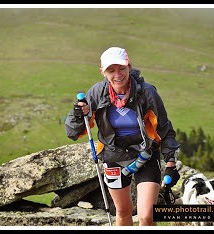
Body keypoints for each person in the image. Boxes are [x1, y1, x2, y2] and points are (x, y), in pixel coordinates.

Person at [65, 47, 180, 226]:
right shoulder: (96, 93)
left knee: (146, 215)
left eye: (121, 68)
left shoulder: (147, 92)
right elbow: (73, 133)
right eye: (111, 70)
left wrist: (171, 163)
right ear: (102, 72)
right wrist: (79, 115)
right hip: (113, 155)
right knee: (123, 211)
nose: (117, 74)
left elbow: (164, 127)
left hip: (146, 153)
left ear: (129, 67)